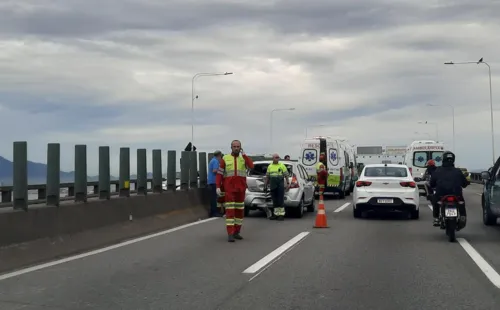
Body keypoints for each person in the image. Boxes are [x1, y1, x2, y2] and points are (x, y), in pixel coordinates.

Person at [216, 140, 254, 242]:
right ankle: (230, 233)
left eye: (238, 146)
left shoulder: (243, 159)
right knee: (230, 211)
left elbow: (251, 166)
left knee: (240, 211)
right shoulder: (225, 158)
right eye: (234, 146)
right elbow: (219, 173)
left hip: (241, 189)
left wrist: (245, 155)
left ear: (240, 148)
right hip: (229, 189)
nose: (236, 148)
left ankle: (237, 232)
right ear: (231, 147)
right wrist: (217, 186)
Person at [429, 151, 470, 227]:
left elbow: (432, 183)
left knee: (435, 200)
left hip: (441, 194)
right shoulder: (458, 171)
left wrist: (433, 186)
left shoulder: (438, 170)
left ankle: (436, 218)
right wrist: (465, 184)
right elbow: (464, 183)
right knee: (461, 202)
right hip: (456, 194)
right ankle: (462, 216)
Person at [264, 154, 290, 221]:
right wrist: (265, 185)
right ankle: (276, 214)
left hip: (280, 185)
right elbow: (267, 176)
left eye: (278, 157)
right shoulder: (270, 166)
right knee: (275, 200)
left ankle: (281, 215)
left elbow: (286, 175)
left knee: (280, 200)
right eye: (276, 157)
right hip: (273, 185)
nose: (277, 158)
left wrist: (288, 183)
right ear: (273, 158)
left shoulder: (282, 165)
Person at [207, 151, 223, 217]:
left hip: (211, 182)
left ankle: (213, 212)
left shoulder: (212, 160)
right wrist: (222, 171)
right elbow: (214, 170)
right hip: (213, 182)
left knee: (213, 198)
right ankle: (214, 212)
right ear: (219, 155)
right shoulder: (216, 161)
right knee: (214, 198)